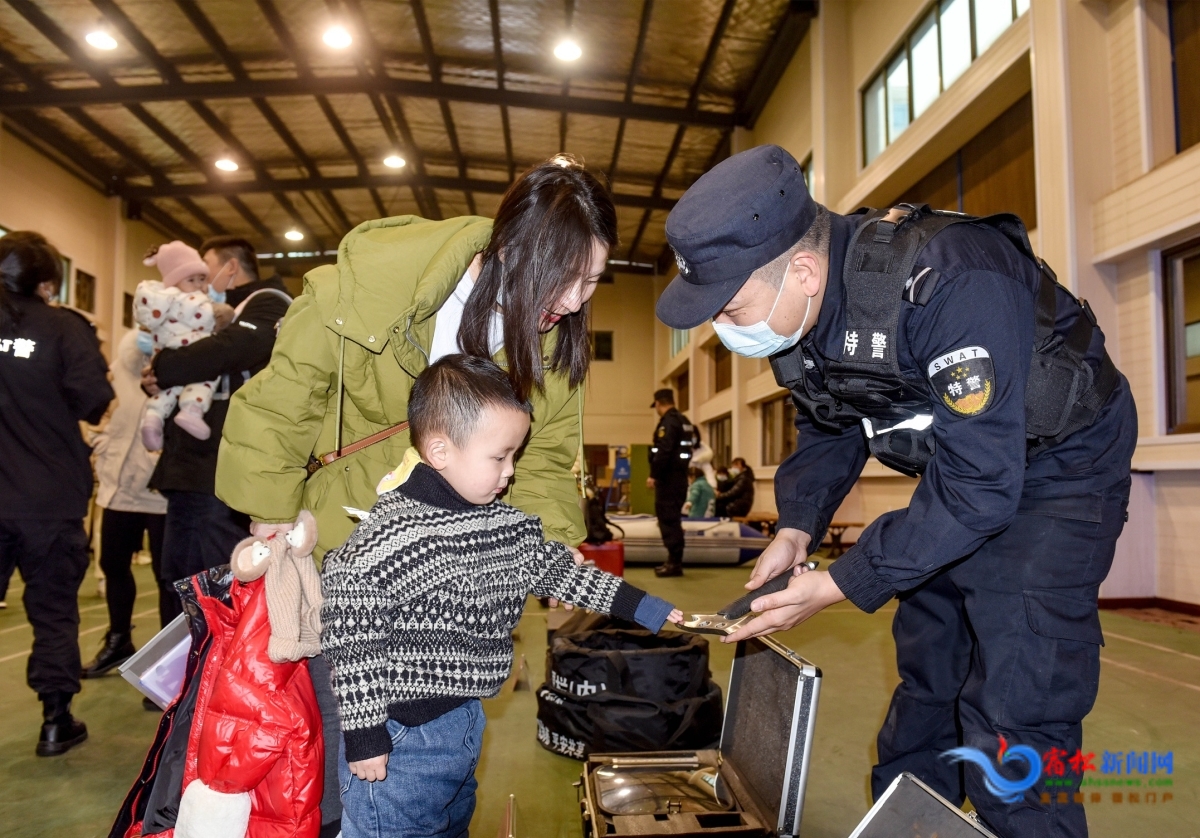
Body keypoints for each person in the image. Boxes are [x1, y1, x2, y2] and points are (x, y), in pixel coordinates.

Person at [655, 145, 1136, 837]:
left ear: (804, 270)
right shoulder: (810, 314)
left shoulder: (952, 279)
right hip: (965, 471)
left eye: (732, 308)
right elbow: (830, 423)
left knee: (1017, 706)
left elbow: (982, 488)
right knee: (931, 669)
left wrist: (840, 584)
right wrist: (797, 528)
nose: (725, 330)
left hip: (1058, 469)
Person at [216, 155, 618, 836]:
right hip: (345, 551)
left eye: (595, 282)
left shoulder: (553, 342)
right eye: (568, 277)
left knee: (439, 770)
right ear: (511, 248)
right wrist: (273, 524)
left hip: (452, 591)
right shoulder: (372, 284)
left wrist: (548, 552)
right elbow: (283, 400)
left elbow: (548, 458)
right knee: (348, 769)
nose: (578, 301)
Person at [321, 355, 680, 838]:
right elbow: (352, 639)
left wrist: (645, 607)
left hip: (463, 722)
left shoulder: (504, 526)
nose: (510, 472)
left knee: (450, 826)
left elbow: (561, 574)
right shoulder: (390, 538)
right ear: (440, 450)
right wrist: (365, 736)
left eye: (515, 456)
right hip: (401, 741)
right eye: (499, 457)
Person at [0, 231, 114, 756]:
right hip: (49, 495)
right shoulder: (65, 328)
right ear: (47, 281)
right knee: (52, 609)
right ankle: (55, 719)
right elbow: (93, 399)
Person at [141, 236, 291, 623]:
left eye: (204, 268)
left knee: (207, 583)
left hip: (217, 472)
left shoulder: (269, 302)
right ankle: (181, 678)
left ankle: (203, 679)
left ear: (231, 267)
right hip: (193, 469)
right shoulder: (208, 311)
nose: (197, 279)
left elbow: (229, 349)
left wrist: (164, 366)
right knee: (178, 579)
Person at [81, 329, 172, 682]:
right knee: (112, 563)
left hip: (161, 492)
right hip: (119, 486)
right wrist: (100, 442)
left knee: (166, 576)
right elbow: (96, 412)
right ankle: (119, 639)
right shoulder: (119, 367)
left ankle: (170, 660)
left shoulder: (177, 363)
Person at [135, 241, 223, 449]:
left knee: (167, 389)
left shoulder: (158, 301)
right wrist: (219, 313)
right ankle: (192, 410)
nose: (199, 285)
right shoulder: (189, 300)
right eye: (191, 279)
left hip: (166, 353)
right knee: (208, 376)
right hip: (191, 348)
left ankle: (153, 418)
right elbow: (206, 318)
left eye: (202, 278)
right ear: (174, 283)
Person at [647, 388, 695, 577]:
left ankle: (674, 564)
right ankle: (673, 561)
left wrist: (654, 475)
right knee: (674, 519)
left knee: (668, 520)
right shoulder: (685, 422)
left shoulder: (668, 423)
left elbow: (663, 451)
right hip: (680, 478)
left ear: (659, 403)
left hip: (668, 480)